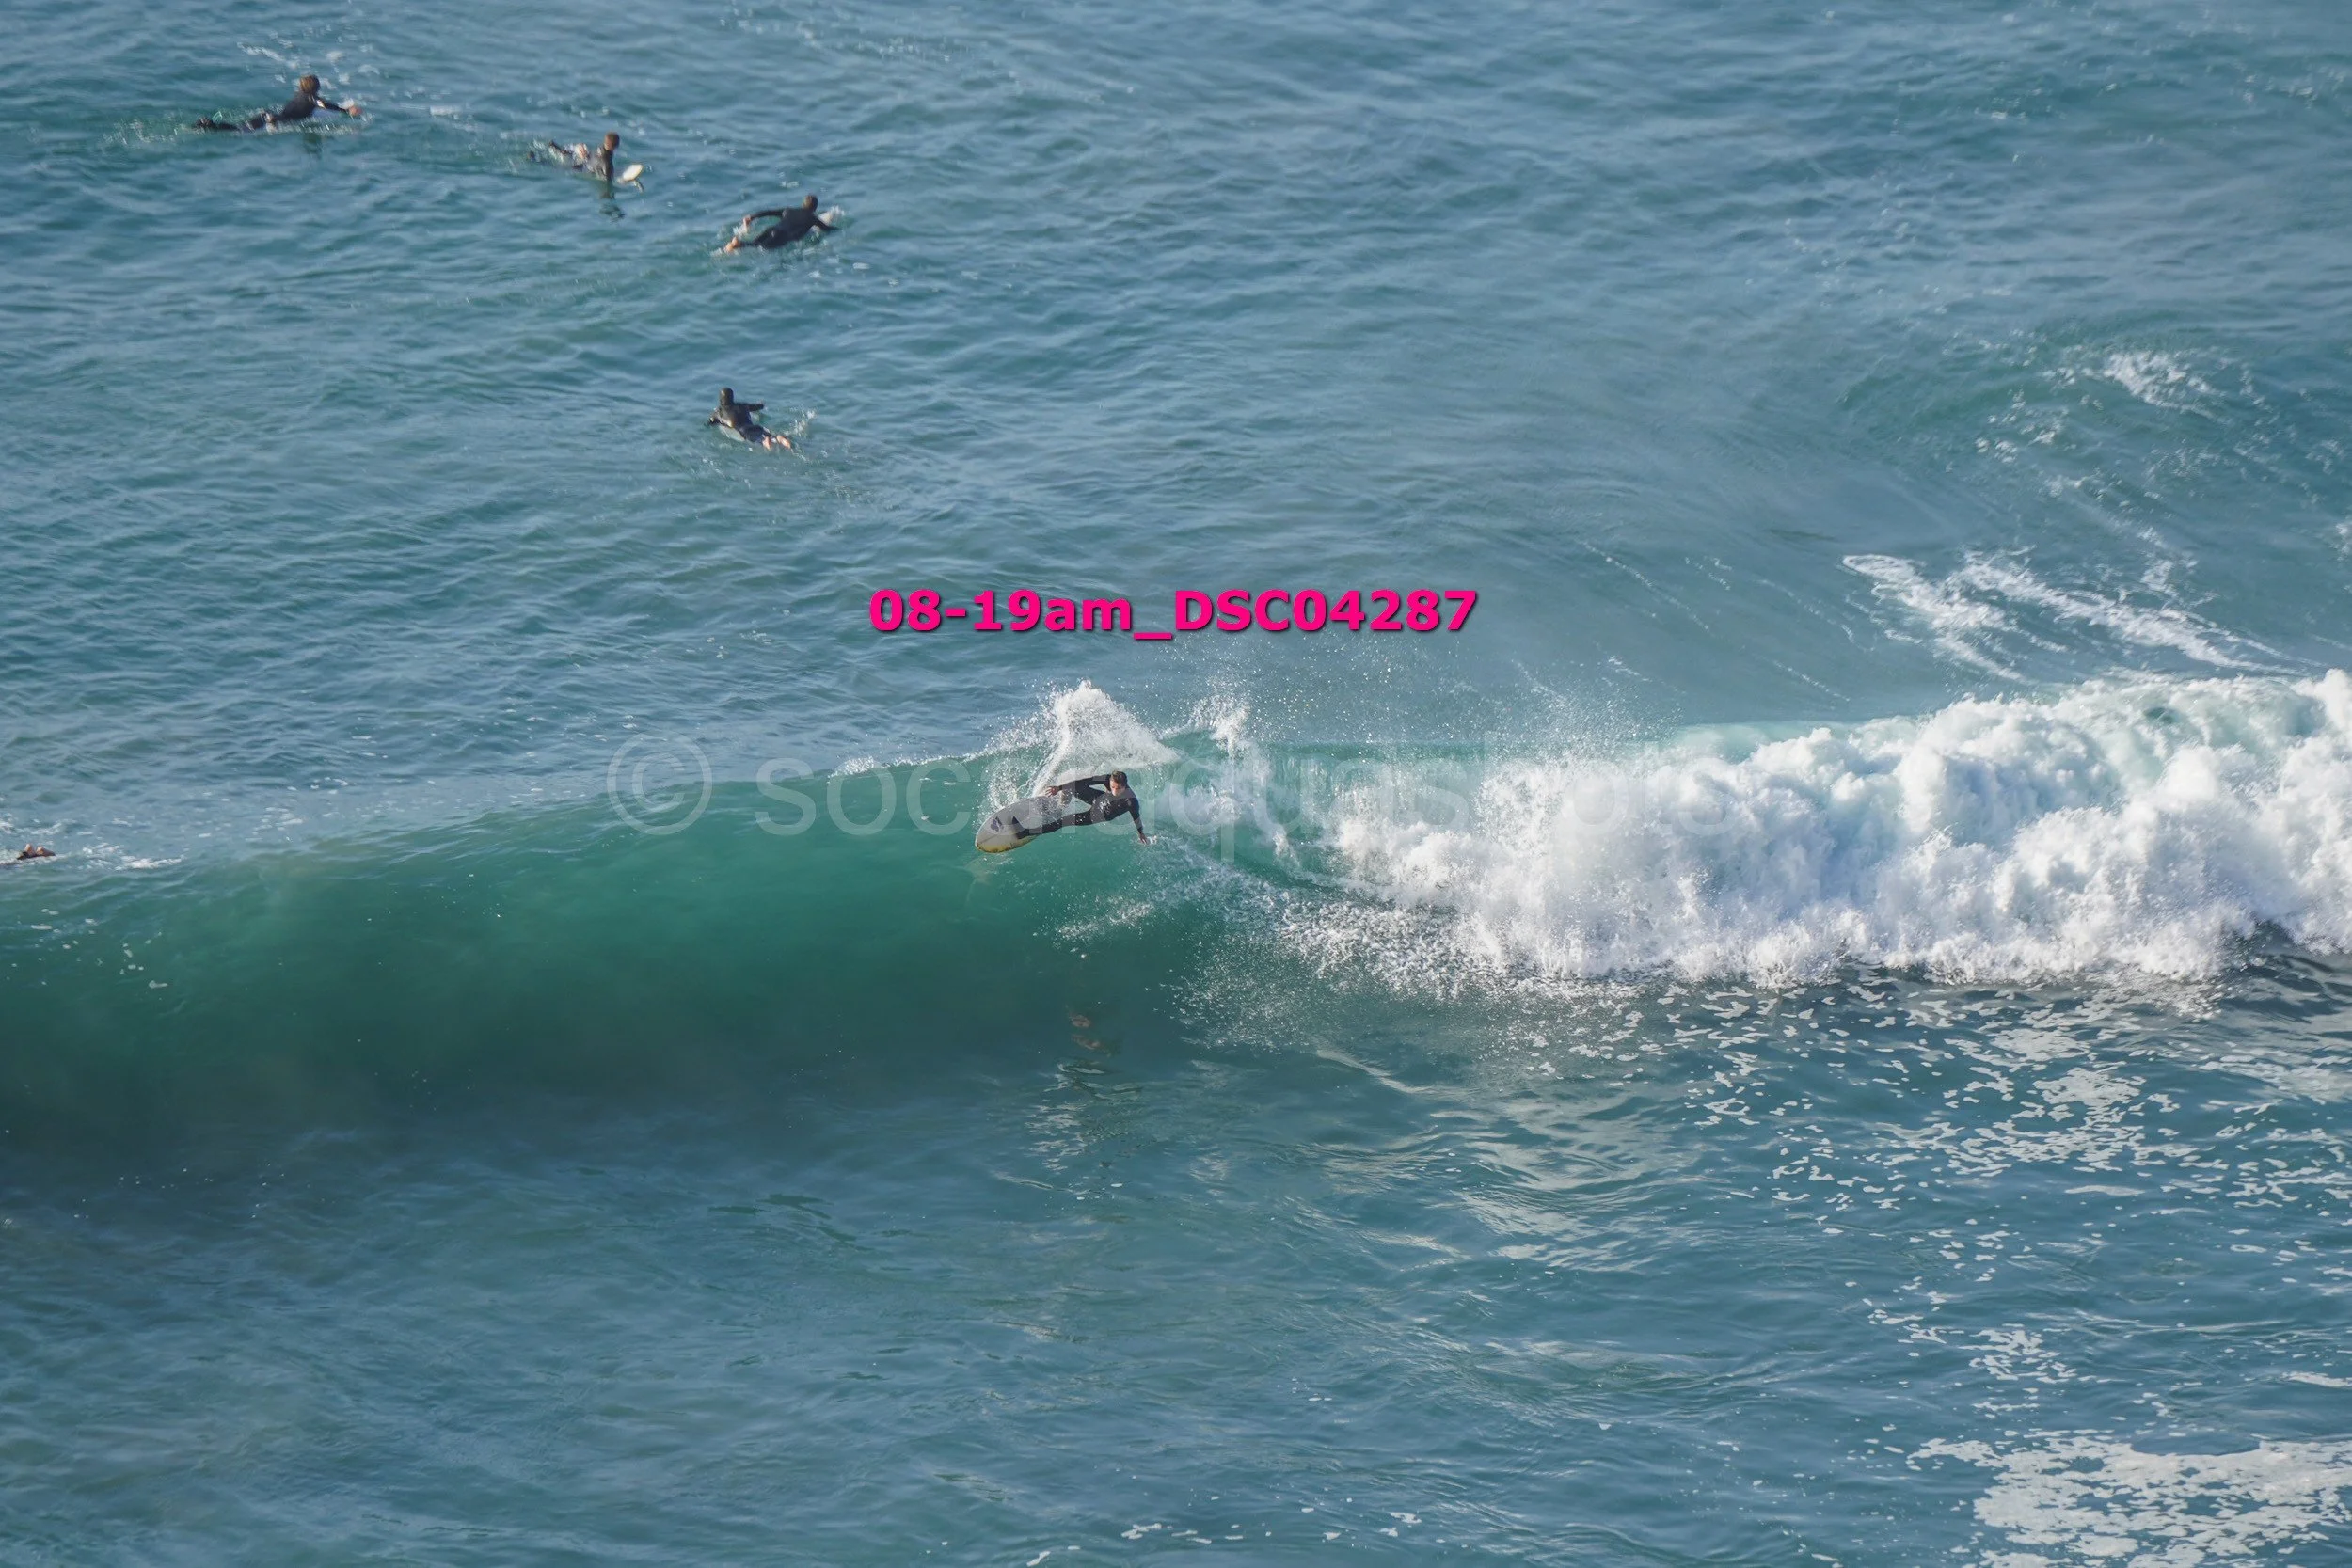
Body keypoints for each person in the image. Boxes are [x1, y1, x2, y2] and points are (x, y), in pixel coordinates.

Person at [195, 73, 359, 132]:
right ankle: (211, 125)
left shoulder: (299, 95)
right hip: (277, 121)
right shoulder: (312, 99)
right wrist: (345, 111)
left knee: (240, 127)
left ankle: (210, 124)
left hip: (269, 115)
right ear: (316, 88)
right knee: (239, 131)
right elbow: (323, 104)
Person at [1046, 771, 1150, 844]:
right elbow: (1085, 781)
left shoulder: (1131, 801)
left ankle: (1032, 831)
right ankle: (1061, 807)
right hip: (1100, 799)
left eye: (1118, 788)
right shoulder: (1108, 779)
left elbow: (1136, 817)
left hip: (1102, 814)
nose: (1114, 791)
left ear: (1125, 786)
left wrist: (1141, 833)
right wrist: (1059, 788)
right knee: (1073, 788)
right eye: (1112, 787)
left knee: (1065, 820)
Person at [723, 195, 833, 252]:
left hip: (771, 229)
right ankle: (739, 244)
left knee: (755, 244)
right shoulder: (812, 218)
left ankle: (739, 243)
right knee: (758, 247)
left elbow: (769, 212)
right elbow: (827, 229)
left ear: (803, 204)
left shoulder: (788, 210)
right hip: (782, 236)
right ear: (814, 208)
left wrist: (752, 217)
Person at [707, 388, 790, 450]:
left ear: (721, 399)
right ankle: (783, 441)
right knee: (774, 436)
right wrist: (761, 403)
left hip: (744, 432)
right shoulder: (743, 406)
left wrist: (711, 422)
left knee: (762, 441)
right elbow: (759, 406)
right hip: (756, 427)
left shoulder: (718, 413)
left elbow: (710, 423)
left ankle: (767, 443)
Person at [544, 131, 622, 181]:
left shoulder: (600, 148)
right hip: (582, 169)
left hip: (583, 162)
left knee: (559, 161)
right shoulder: (607, 163)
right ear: (616, 146)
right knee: (555, 167)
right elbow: (607, 180)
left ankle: (552, 146)